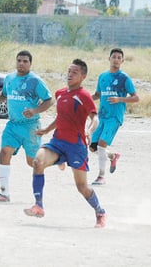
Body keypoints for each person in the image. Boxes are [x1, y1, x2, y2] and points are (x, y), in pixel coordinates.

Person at [23, 59, 107, 228]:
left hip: (76, 146)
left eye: (74, 72)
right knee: (37, 161)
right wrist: (46, 130)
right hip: (57, 142)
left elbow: (95, 118)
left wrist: (89, 131)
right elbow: (61, 118)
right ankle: (39, 205)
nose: (70, 74)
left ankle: (100, 211)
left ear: (83, 76)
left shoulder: (84, 96)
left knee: (82, 187)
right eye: (69, 71)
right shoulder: (60, 93)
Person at [0, 50, 54, 202]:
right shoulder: (9, 78)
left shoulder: (35, 80)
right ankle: (4, 193)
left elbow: (49, 100)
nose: (21, 63)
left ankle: (55, 160)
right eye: (19, 60)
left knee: (33, 162)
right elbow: (4, 95)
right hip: (13, 125)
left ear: (30, 63)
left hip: (31, 127)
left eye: (25, 61)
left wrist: (35, 110)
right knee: (4, 153)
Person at [90, 48, 139, 185]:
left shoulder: (124, 78)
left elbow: (136, 98)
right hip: (102, 116)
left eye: (119, 57)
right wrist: (83, 99)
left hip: (114, 117)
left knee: (101, 145)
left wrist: (119, 99)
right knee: (93, 147)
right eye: (114, 57)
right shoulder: (102, 77)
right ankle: (112, 156)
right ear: (109, 59)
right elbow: (97, 95)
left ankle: (101, 176)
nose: (116, 59)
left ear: (122, 61)